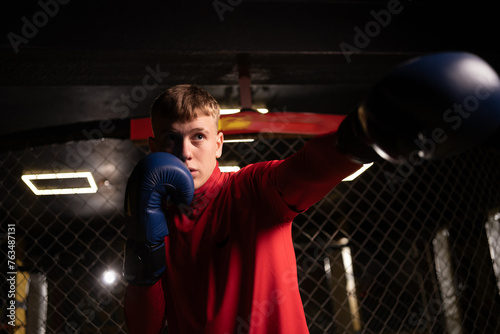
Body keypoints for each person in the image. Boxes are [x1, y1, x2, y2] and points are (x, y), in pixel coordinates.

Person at [123, 84, 363, 333]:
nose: (185, 152)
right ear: (154, 148)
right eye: (171, 138)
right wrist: (142, 249)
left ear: (218, 144)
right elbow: (144, 328)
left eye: (198, 137)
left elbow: (306, 168)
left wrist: (364, 134)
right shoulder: (157, 225)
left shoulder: (253, 190)